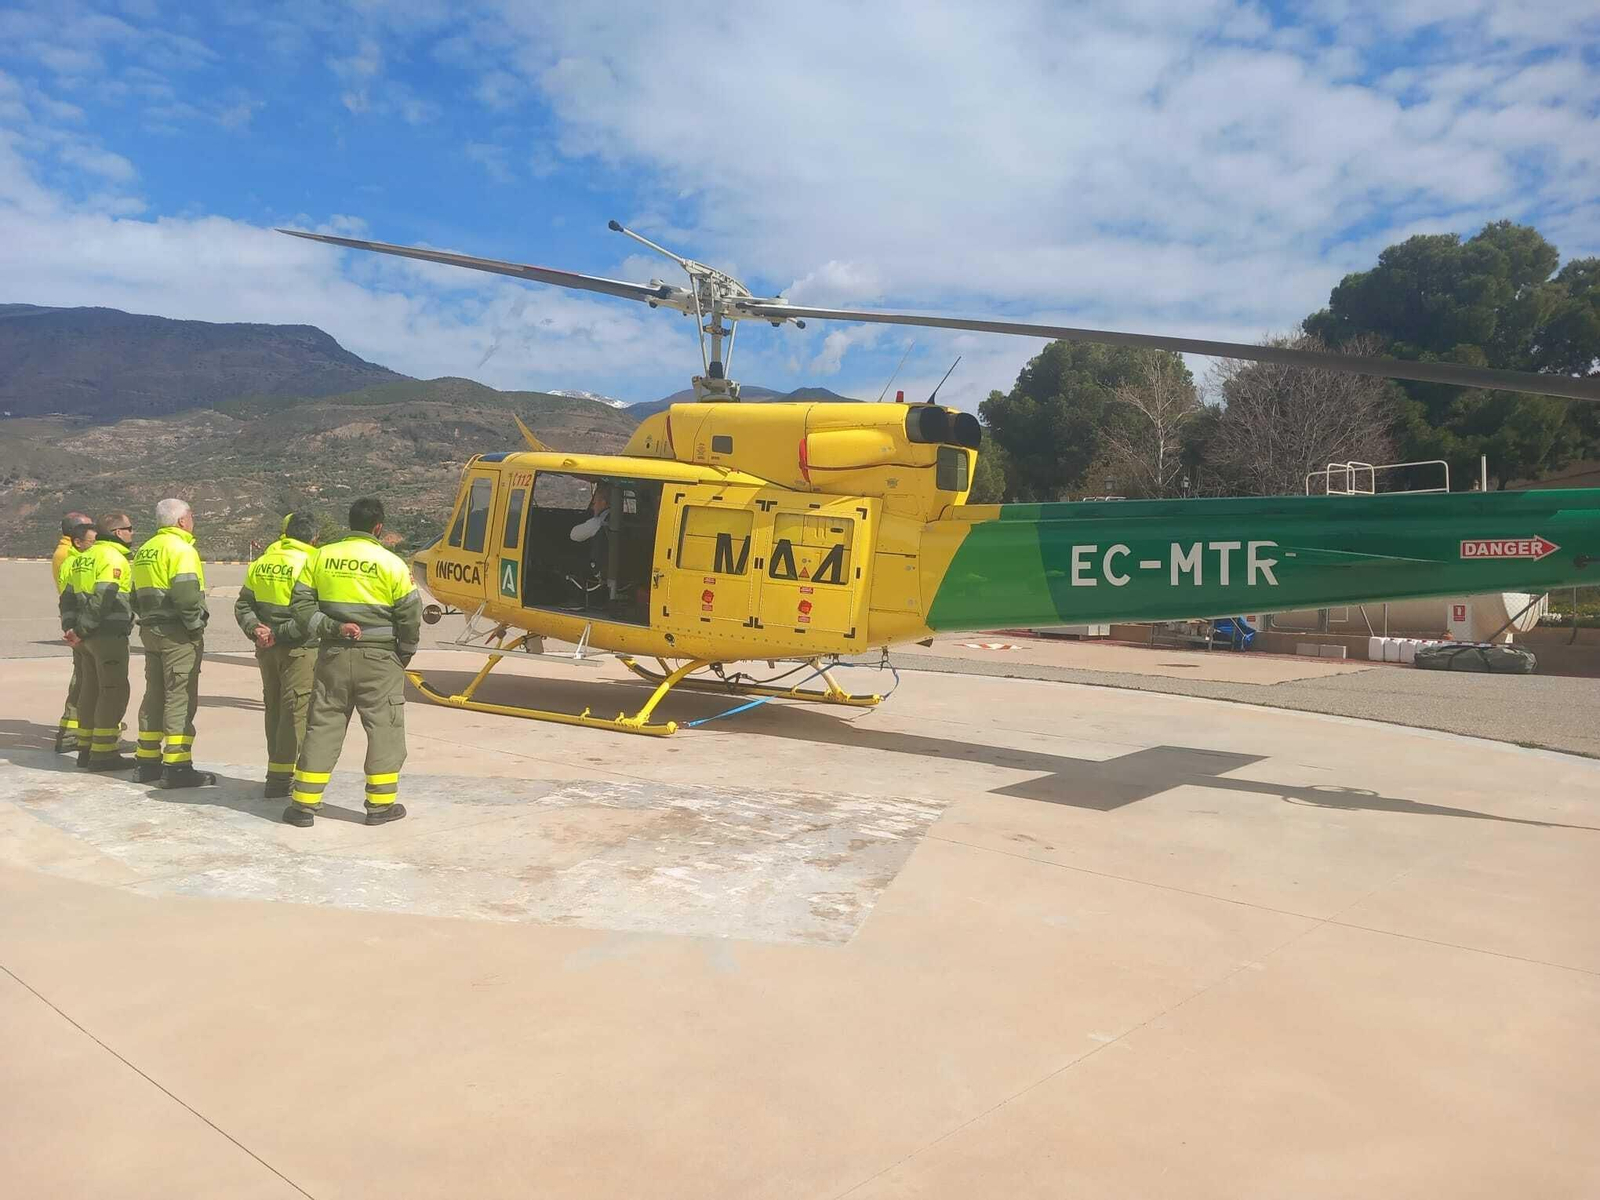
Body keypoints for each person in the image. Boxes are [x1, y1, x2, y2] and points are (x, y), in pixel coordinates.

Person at [285, 496, 421, 827]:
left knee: (323, 726)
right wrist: (404, 651)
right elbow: (410, 614)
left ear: (350, 523)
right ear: (378, 527)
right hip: (380, 658)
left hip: (332, 654)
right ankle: (380, 806)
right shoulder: (391, 563)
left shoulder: (321, 557)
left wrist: (330, 628)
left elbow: (300, 606)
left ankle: (303, 805)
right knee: (384, 729)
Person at [131, 498, 215, 788]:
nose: (193, 521)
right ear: (181, 521)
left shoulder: (145, 550)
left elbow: (134, 595)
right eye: (191, 516)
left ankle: (146, 763)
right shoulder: (182, 549)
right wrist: (195, 628)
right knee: (180, 696)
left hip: (150, 630)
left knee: (154, 694)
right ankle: (177, 766)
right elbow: (187, 596)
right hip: (176, 633)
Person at [235, 512, 320, 798]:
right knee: (297, 712)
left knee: (273, 709)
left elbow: (243, 605)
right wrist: (279, 634)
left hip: (265, 649)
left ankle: (276, 773)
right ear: (313, 537)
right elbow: (313, 615)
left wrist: (256, 630)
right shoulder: (312, 564)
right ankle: (289, 778)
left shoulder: (262, 563)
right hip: (298, 649)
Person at [61, 513, 137, 771]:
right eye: (129, 529)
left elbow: (67, 599)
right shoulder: (113, 558)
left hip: (84, 640)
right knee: (113, 691)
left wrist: (71, 629)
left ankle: (85, 748)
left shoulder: (82, 559)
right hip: (106, 636)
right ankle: (104, 753)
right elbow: (104, 597)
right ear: (117, 533)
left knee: (89, 691)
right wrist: (82, 629)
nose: (132, 533)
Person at [54, 515, 96, 756]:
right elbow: (73, 594)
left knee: (82, 679)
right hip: (81, 627)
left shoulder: (69, 555)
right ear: (77, 538)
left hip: (77, 625)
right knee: (84, 680)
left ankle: (73, 731)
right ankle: (77, 733)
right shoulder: (69, 557)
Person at [567, 485, 612, 603]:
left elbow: (574, 535)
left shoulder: (598, 522)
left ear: (603, 502)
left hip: (601, 569)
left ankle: (576, 601)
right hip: (622, 568)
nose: (593, 506)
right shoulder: (620, 520)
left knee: (568, 560)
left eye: (594, 502)